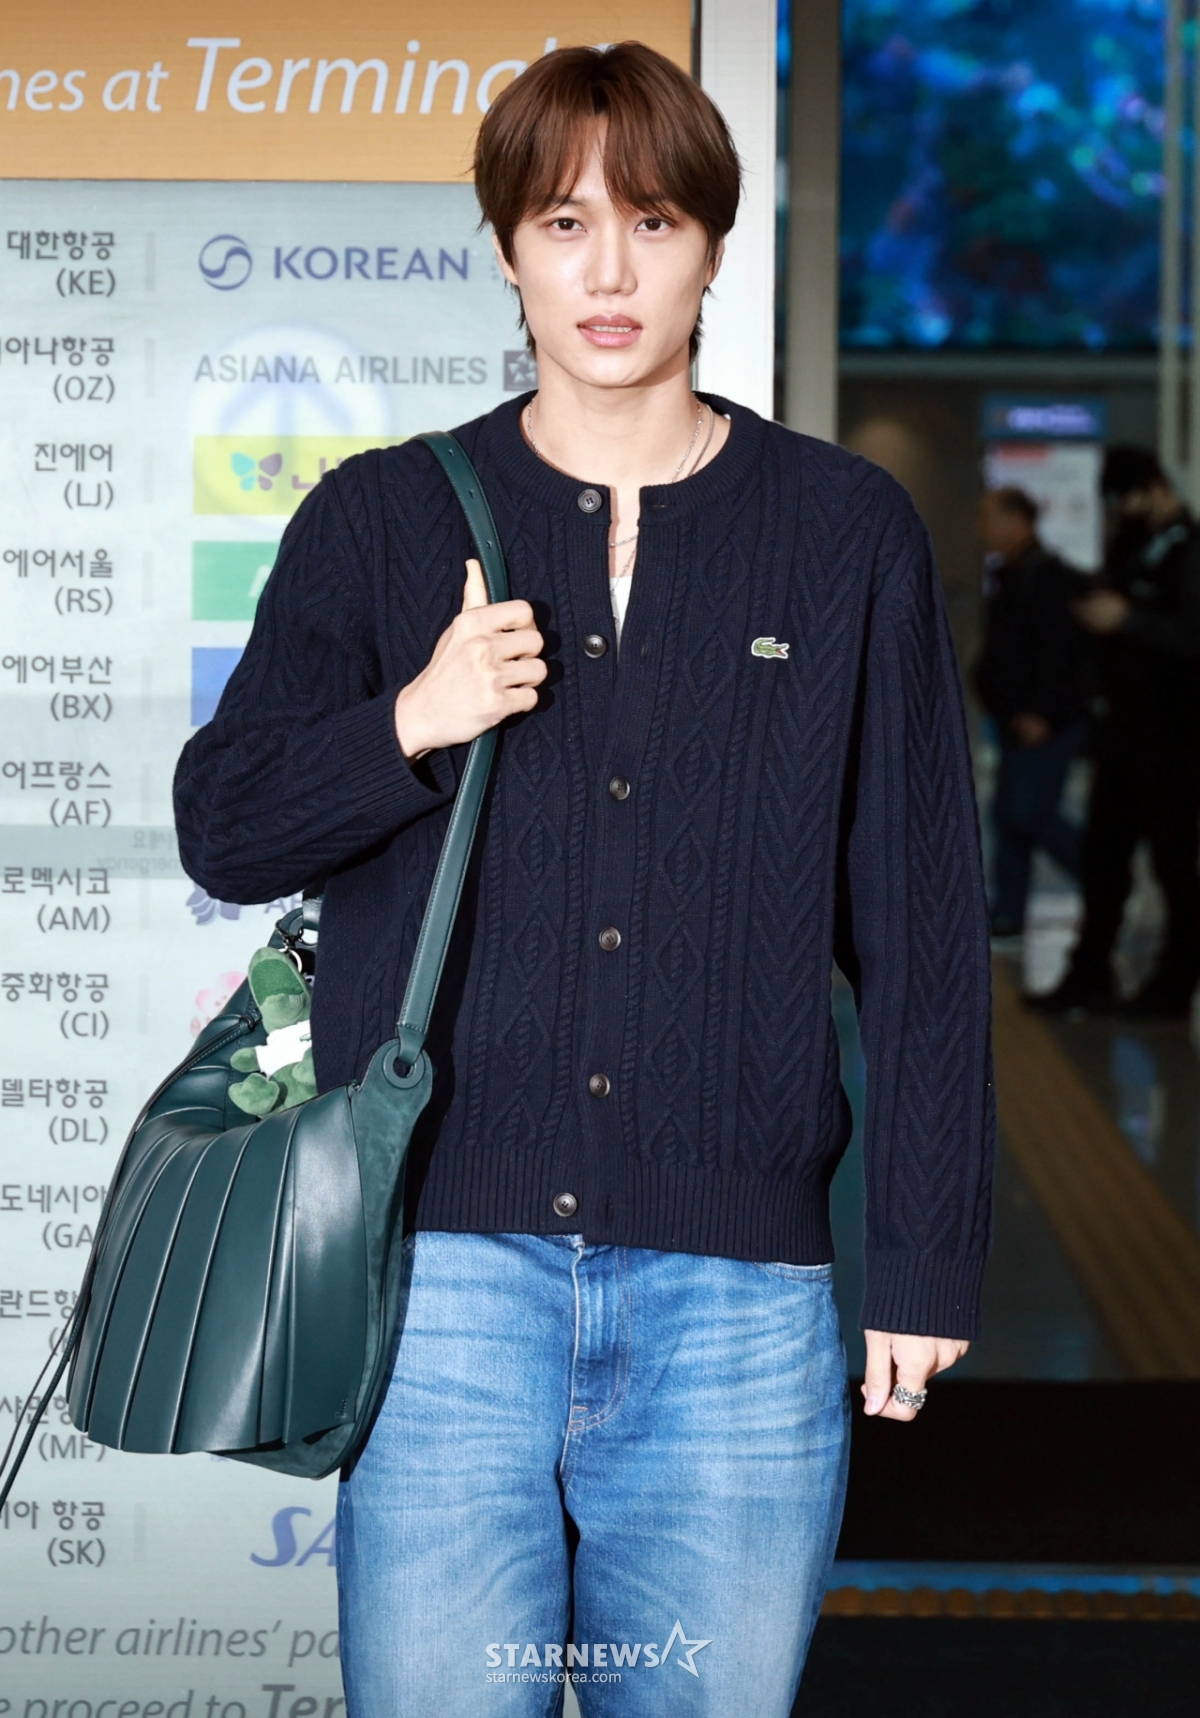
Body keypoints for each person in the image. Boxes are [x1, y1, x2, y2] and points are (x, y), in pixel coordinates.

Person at [174, 43, 994, 1718]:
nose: (609, 271)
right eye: (563, 223)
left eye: (654, 221)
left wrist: (923, 1257)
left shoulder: (845, 533)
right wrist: (412, 718)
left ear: (714, 247)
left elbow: (922, 929)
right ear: (506, 249)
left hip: (737, 1304)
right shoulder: (382, 519)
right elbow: (226, 825)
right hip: (441, 1285)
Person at [1031, 447, 1200, 1018]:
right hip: (1123, 732)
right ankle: (1089, 973)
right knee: (1103, 861)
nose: (1122, 510)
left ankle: (1174, 986)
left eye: (1128, 499)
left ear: (1156, 487)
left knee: (1174, 865)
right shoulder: (1131, 546)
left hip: (1174, 737)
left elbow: (1191, 634)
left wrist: (1128, 619)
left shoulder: (1188, 550)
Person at [973, 486, 1090, 939]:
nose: (982, 528)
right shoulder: (1012, 574)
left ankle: (1100, 879)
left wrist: (1041, 711)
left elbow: (1059, 653)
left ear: (1018, 521)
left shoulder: (1045, 577)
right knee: (1008, 815)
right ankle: (1008, 912)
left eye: (990, 518)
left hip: (1044, 721)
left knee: (1029, 810)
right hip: (1015, 718)